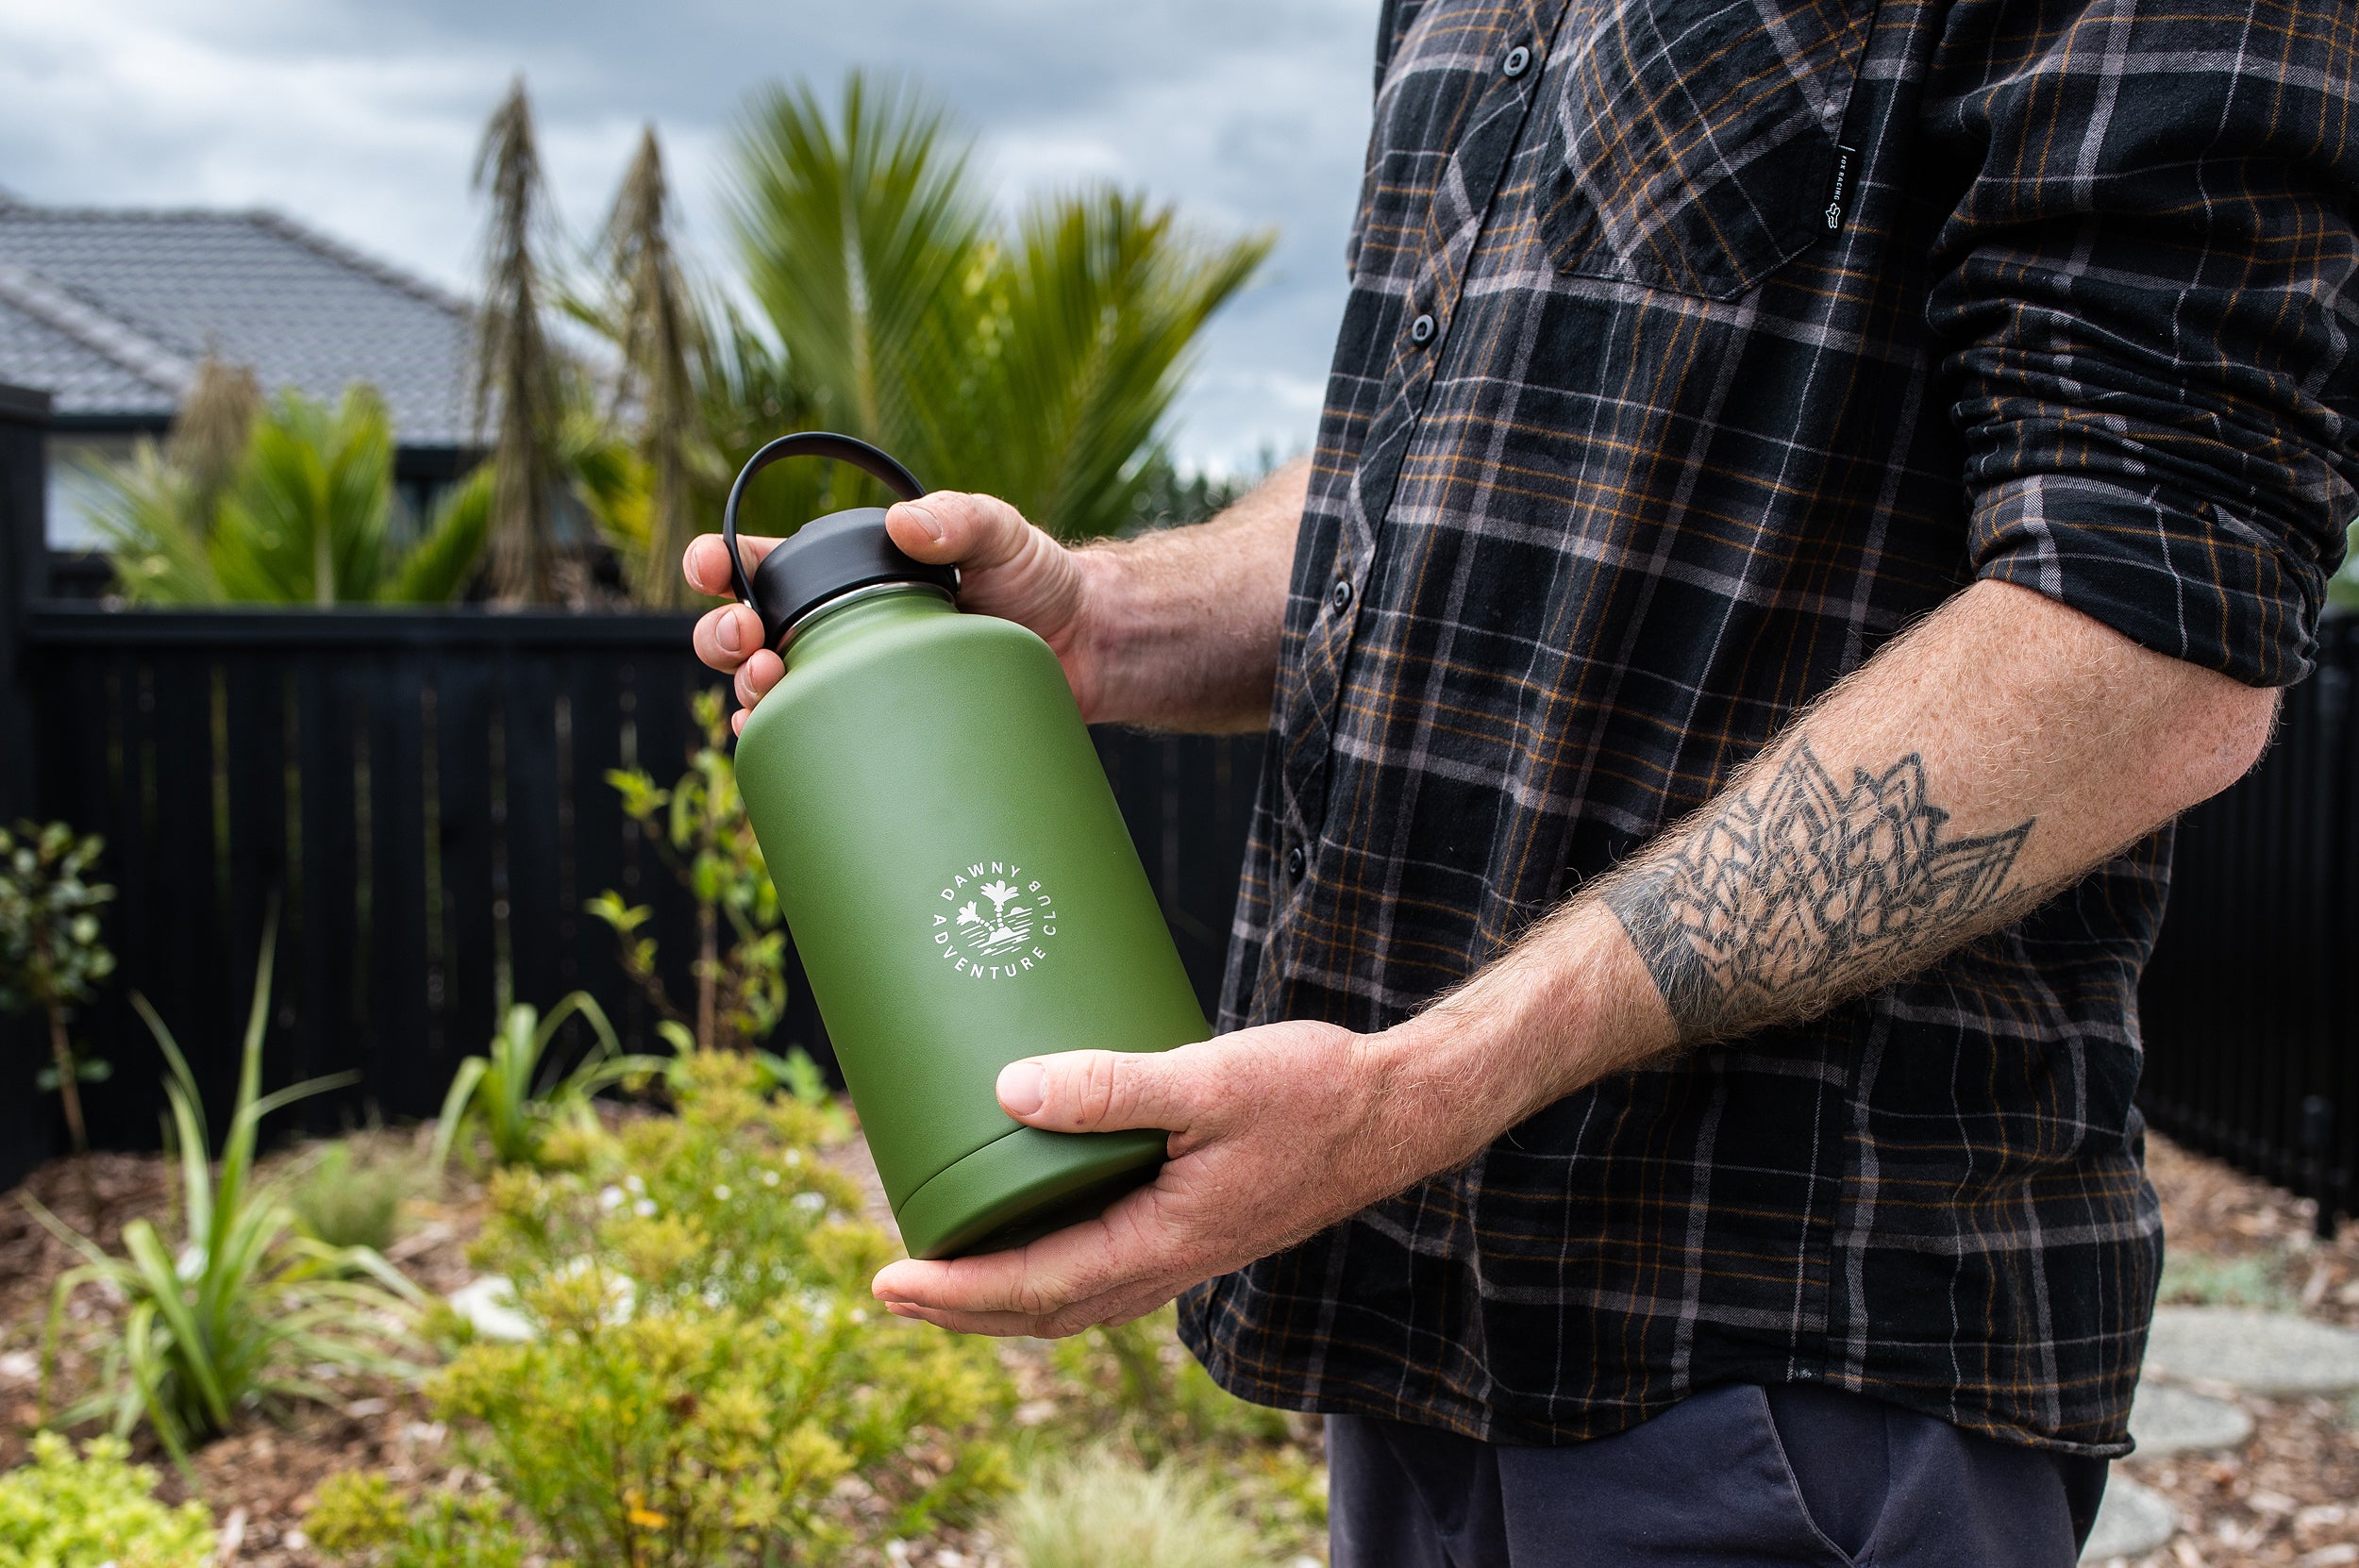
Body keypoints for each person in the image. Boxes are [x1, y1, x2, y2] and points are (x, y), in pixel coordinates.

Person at [688, 0, 2358, 1561]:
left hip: (1794, 1353)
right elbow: (1442, 453)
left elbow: (2154, 619)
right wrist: (1111, 618)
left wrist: (1419, 1087)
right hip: (1407, 1317)